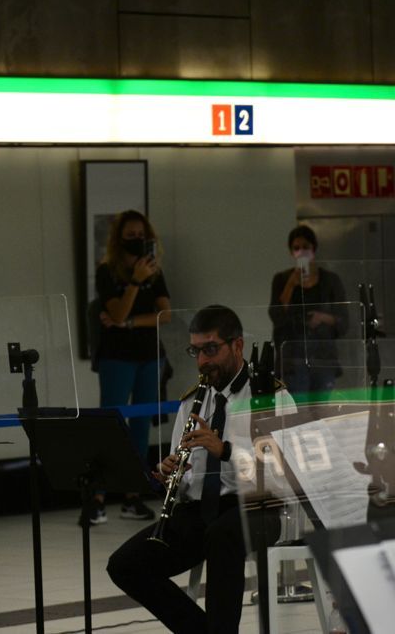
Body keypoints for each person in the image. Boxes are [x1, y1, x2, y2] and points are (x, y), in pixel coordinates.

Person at [106, 305, 288, 634]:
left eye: (211, 349)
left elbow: (282, 470)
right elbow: (189, 479)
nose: (203, 361)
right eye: (196, 351)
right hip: (202, 508)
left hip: (258, 506)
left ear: (237, 346)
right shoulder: (192, 400)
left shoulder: (271, 395)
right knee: (125, 565)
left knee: (221, 536)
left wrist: (226, 450)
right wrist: (170, 474)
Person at [91, 210, 170, 523]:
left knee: (140, 425)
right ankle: (97, 494)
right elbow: (117, 311)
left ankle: (132, 495)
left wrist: (130, 323)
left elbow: (166, 315)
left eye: (142, 234)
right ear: (118, 238)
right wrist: (135, 283)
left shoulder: (155, 270)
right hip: (116, 357)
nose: (137, 240)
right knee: (111, 422)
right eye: (131, 235)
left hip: (150, 355)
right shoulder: (107, 272)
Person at [269, 224, 348, 396]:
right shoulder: (282, 280)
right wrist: (291, 284)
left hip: (322, 356)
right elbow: (276, 315)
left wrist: (321, 318)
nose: (301, 252)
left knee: (321, 410)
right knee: (298, 411)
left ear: (314, 249)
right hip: (293, 357)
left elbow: (343, 320)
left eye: (306, 247)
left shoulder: (330, 280)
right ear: (291, 252)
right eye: (296, 248)